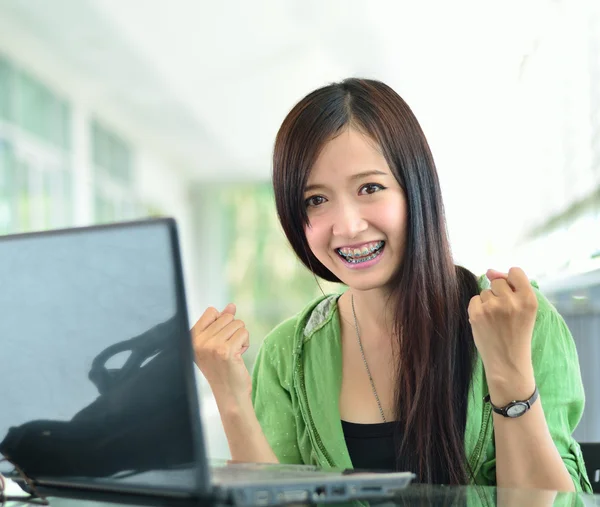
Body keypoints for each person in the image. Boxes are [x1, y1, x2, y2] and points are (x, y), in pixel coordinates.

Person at [192, 78, 592, 492]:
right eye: (316, 199)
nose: (347, 226)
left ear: (415, 188)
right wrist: (231, 398)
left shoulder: (519, 320)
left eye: (370, 188)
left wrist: (510, 374)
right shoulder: (286, 354)